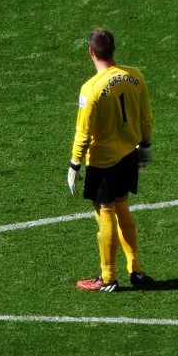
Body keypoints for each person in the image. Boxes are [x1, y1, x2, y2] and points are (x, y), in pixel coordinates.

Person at [67, 28, 154, 291]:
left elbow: (83, 132)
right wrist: (145, 146)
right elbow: (146, 116)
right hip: (128, 155)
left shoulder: (90, 89)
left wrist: (74, 164)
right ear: (113, 49)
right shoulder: (135, 77)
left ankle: (108, 278)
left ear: (91, 52)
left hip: (103, 162)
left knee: (105, 212)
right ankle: (136, 270)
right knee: (123, 208)